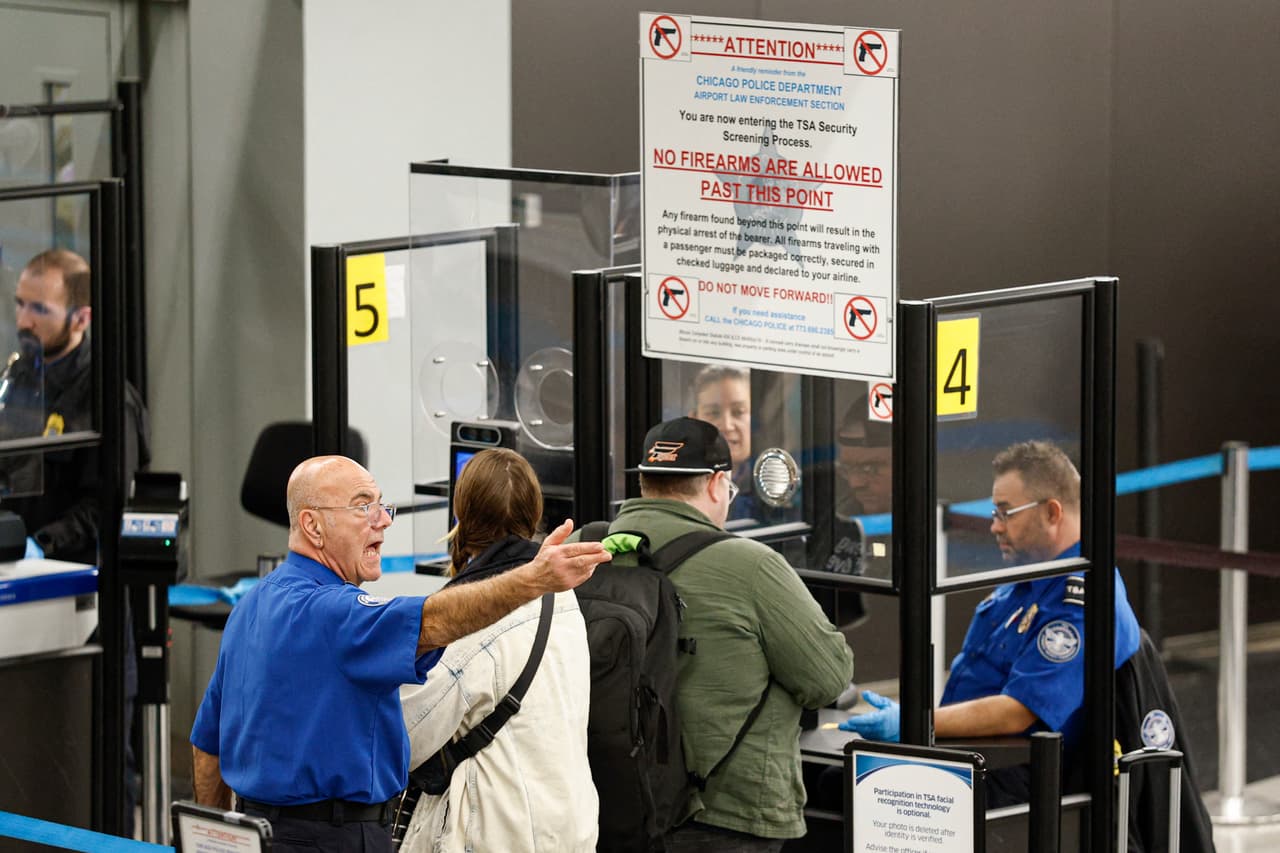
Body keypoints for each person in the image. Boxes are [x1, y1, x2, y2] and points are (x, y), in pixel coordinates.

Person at [190, 455, 611, 853]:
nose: (384, 520)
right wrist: (533, 580)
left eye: (381, 505)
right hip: (336, 838)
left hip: (255, 832)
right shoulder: (338, 615)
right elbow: (433, 621)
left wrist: (211, 839)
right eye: (363, 507)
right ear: (312, 526)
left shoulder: (250, 607)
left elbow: (207, 747)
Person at [840, 440, 1141, 806]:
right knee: (832, 778)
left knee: (849, 791)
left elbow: (1018, 711)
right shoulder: (1027, 579)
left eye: (1005, 512)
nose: (995, 526)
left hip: (1017, 777)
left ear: (1051, 512)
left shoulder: (1081, 599)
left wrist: (915, 724)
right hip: (971, 758)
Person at [605, 417, 853, 850]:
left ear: (643, 483)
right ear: (718, 484)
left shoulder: (584, 550)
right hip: (727, 813)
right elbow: (828, 678)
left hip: (611, 805)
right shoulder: (751, 565)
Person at [398, 448, 597, 852]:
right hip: (567, 827)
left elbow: (406, 737)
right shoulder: (562, 600)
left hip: (496, 832)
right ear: (534, 514)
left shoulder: (471, 620)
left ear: (461, 513)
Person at [0, 248, 150, 562]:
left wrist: (41, 546)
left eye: (40, 309)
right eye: (20, 303)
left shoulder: (108, 398)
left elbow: (106, 504)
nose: (24, 321)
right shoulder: (15, 380)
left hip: (71, 569)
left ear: (81, 319)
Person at [689, 364, 755, 520]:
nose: (727, 425)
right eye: (713, 413)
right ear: (693, 420)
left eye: (738, 412)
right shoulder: (679, 490)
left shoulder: (776, 485)